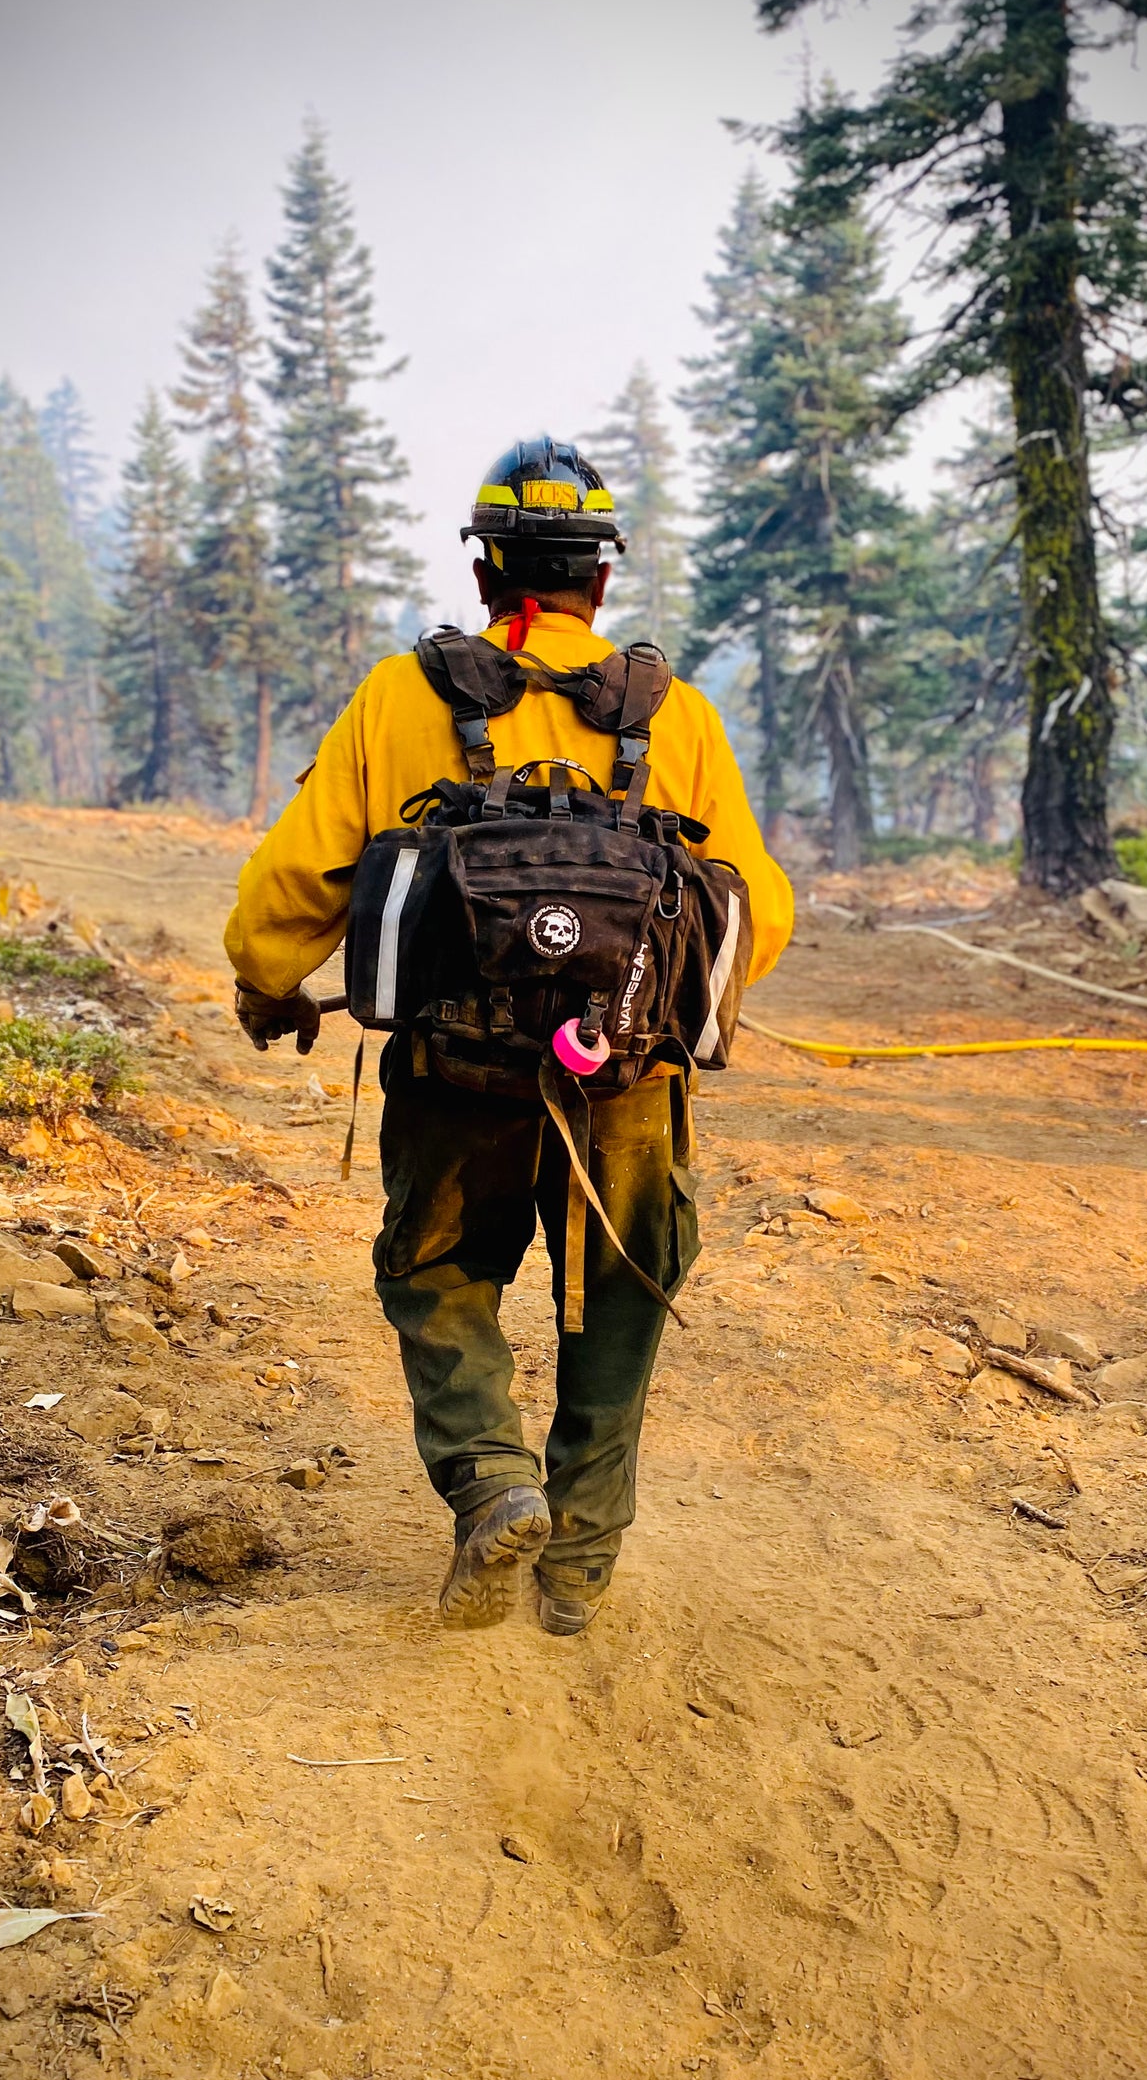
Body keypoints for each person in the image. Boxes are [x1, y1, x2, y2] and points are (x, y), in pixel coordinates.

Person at [226, 436, 792, 1634]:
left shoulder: (402, 696)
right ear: (599, 579)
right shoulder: (673, 714)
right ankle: (579, 1563)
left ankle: (490, 1481)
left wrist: (268, 982)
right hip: (623, 1083)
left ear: (487, 574)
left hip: (452, 1068)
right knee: (619, 1297)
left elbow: (296, 875)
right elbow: (759, 907)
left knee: (437, 1273)